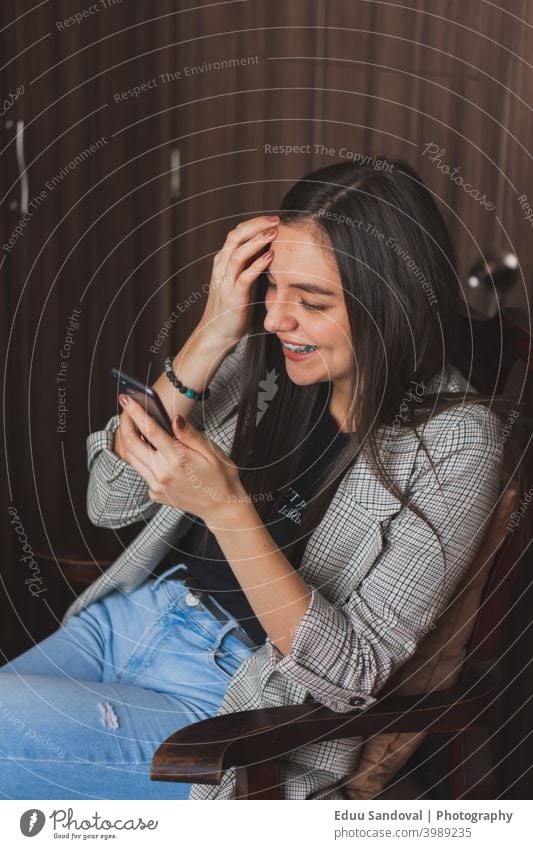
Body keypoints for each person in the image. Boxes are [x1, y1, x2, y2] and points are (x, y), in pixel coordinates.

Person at [0, 159, 516, 800]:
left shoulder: (455, 443)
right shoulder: (258, 357)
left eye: (312, 301)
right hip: (125, 622)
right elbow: (110, 497)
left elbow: (352, 673)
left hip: (237, 696)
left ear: (392, 304)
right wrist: (213, 331)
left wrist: (226, 508)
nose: (276, 319)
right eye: (272, 287)